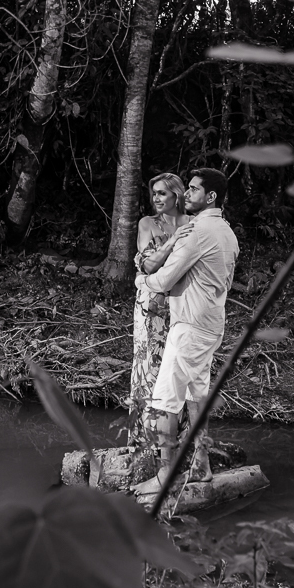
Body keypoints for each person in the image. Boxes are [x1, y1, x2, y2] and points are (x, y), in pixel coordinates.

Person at [133, 168, 238, 490]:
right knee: (196, 396)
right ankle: (201, 465)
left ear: (211, 197)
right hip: (211, 324)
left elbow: (163, 280)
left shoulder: (198, 231)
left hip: (190, 325)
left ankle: (166, 475)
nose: (187, 194)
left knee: (164, 400)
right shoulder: (227, 232)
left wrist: (142, 281)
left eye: (193, 190)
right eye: (188, 189)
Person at [130, 173, 189, 444]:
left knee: (179, 370)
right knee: (149, 368)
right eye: (154, 192)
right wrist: (173, 240)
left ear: (177, 195)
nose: (156, 198)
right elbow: (147, 266)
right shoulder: (148, 224)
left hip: (183, 306)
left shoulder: (193, 224)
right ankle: (145, 440)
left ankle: (176, 439)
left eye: (162, 193)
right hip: (151, 308)